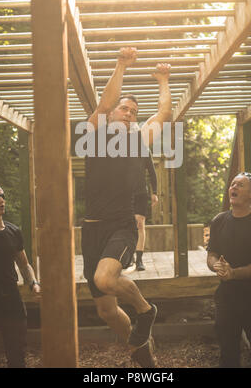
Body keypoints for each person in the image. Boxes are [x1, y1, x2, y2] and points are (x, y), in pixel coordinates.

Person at [81, 46, 172, 367]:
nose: (129, 112)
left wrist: (164, 79)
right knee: (105, 309)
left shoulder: (138, 140)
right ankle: (141, 352)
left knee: (106, 280)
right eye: (124, 108)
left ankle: (146, 310)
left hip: (121, 225)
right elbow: (104, 103)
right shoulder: (93, 134)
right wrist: (120, 65)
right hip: (90, 228)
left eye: (134, 110)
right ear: (112, 115)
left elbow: (162, 114)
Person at [207, 172, 251, 368]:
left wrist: (234, 273)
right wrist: (217, 266)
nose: (234, 187)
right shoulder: (219, 221)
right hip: (227, 299)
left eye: (240, 185)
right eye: (232, 184)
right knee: (228, 354)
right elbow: (211, 254)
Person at [0, 183, 40, 368]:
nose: (1, 200)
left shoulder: (13, 231)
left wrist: (33, 283)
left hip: (12, 298)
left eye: (2, 196)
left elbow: (24, 264)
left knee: (17, 356)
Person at [133, 152, 158, 271]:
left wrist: (155, 192)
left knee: (140, 224)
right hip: (123, 194)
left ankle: (139, 259)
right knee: (125, 225)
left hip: (140, 193)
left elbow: (152, 172)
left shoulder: (144, 151)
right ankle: (127, 256)